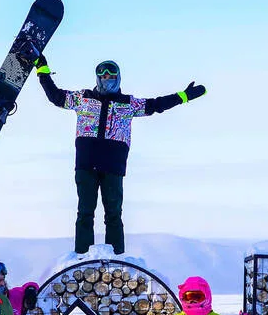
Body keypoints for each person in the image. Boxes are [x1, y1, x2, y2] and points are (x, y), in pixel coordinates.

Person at [34, 55, 206, 255]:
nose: (106, 78)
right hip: (86, 165)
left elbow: (157, 105)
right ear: (97, 77)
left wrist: (184, 96)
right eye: (102, 75)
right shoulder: (83, 98)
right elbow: (55, 96)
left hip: (113, 167)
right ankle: (81, 257)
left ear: (118, 77)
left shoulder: (129, 103)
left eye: (111, 75)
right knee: (85, 213)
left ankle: (117, 258)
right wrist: (42, 69)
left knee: (113, 214)